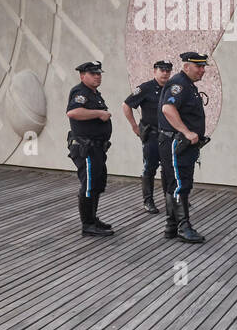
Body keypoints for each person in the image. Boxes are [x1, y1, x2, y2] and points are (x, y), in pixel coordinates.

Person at [159, 51, 209, 244]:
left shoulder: (188, 85)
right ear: (186, 66)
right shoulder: (179, 84)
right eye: (199, 66)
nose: (202, 70)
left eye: (203, 66)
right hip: (176, 142)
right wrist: (186, 132)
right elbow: (167, 109)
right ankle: (183, 226)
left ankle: (172, 225)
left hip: (182, 145)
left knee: (176, 183)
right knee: (180, 183)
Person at [66, 60, 113, 237]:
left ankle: (93, 219)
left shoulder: (94, 94)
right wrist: (99, 113)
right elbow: (73, 112)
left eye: (99, 73)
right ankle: (87, 225)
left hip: (97, 148)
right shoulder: (80, 92)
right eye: (93, 74)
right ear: (82, 75)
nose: (97, 76)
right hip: (86, 148)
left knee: (97, 184)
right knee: (88, 185)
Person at [121, 59, 172, 213]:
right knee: (149, 168)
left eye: (167, 70)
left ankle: (169, 199)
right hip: (152, 135)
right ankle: (148, 201)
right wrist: (134, 126)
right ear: (154, 71)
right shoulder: (146, 88)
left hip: (168, 136)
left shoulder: (172, 88)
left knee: (168, 168)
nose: (164, 73)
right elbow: (126, 105)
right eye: (161, 70)